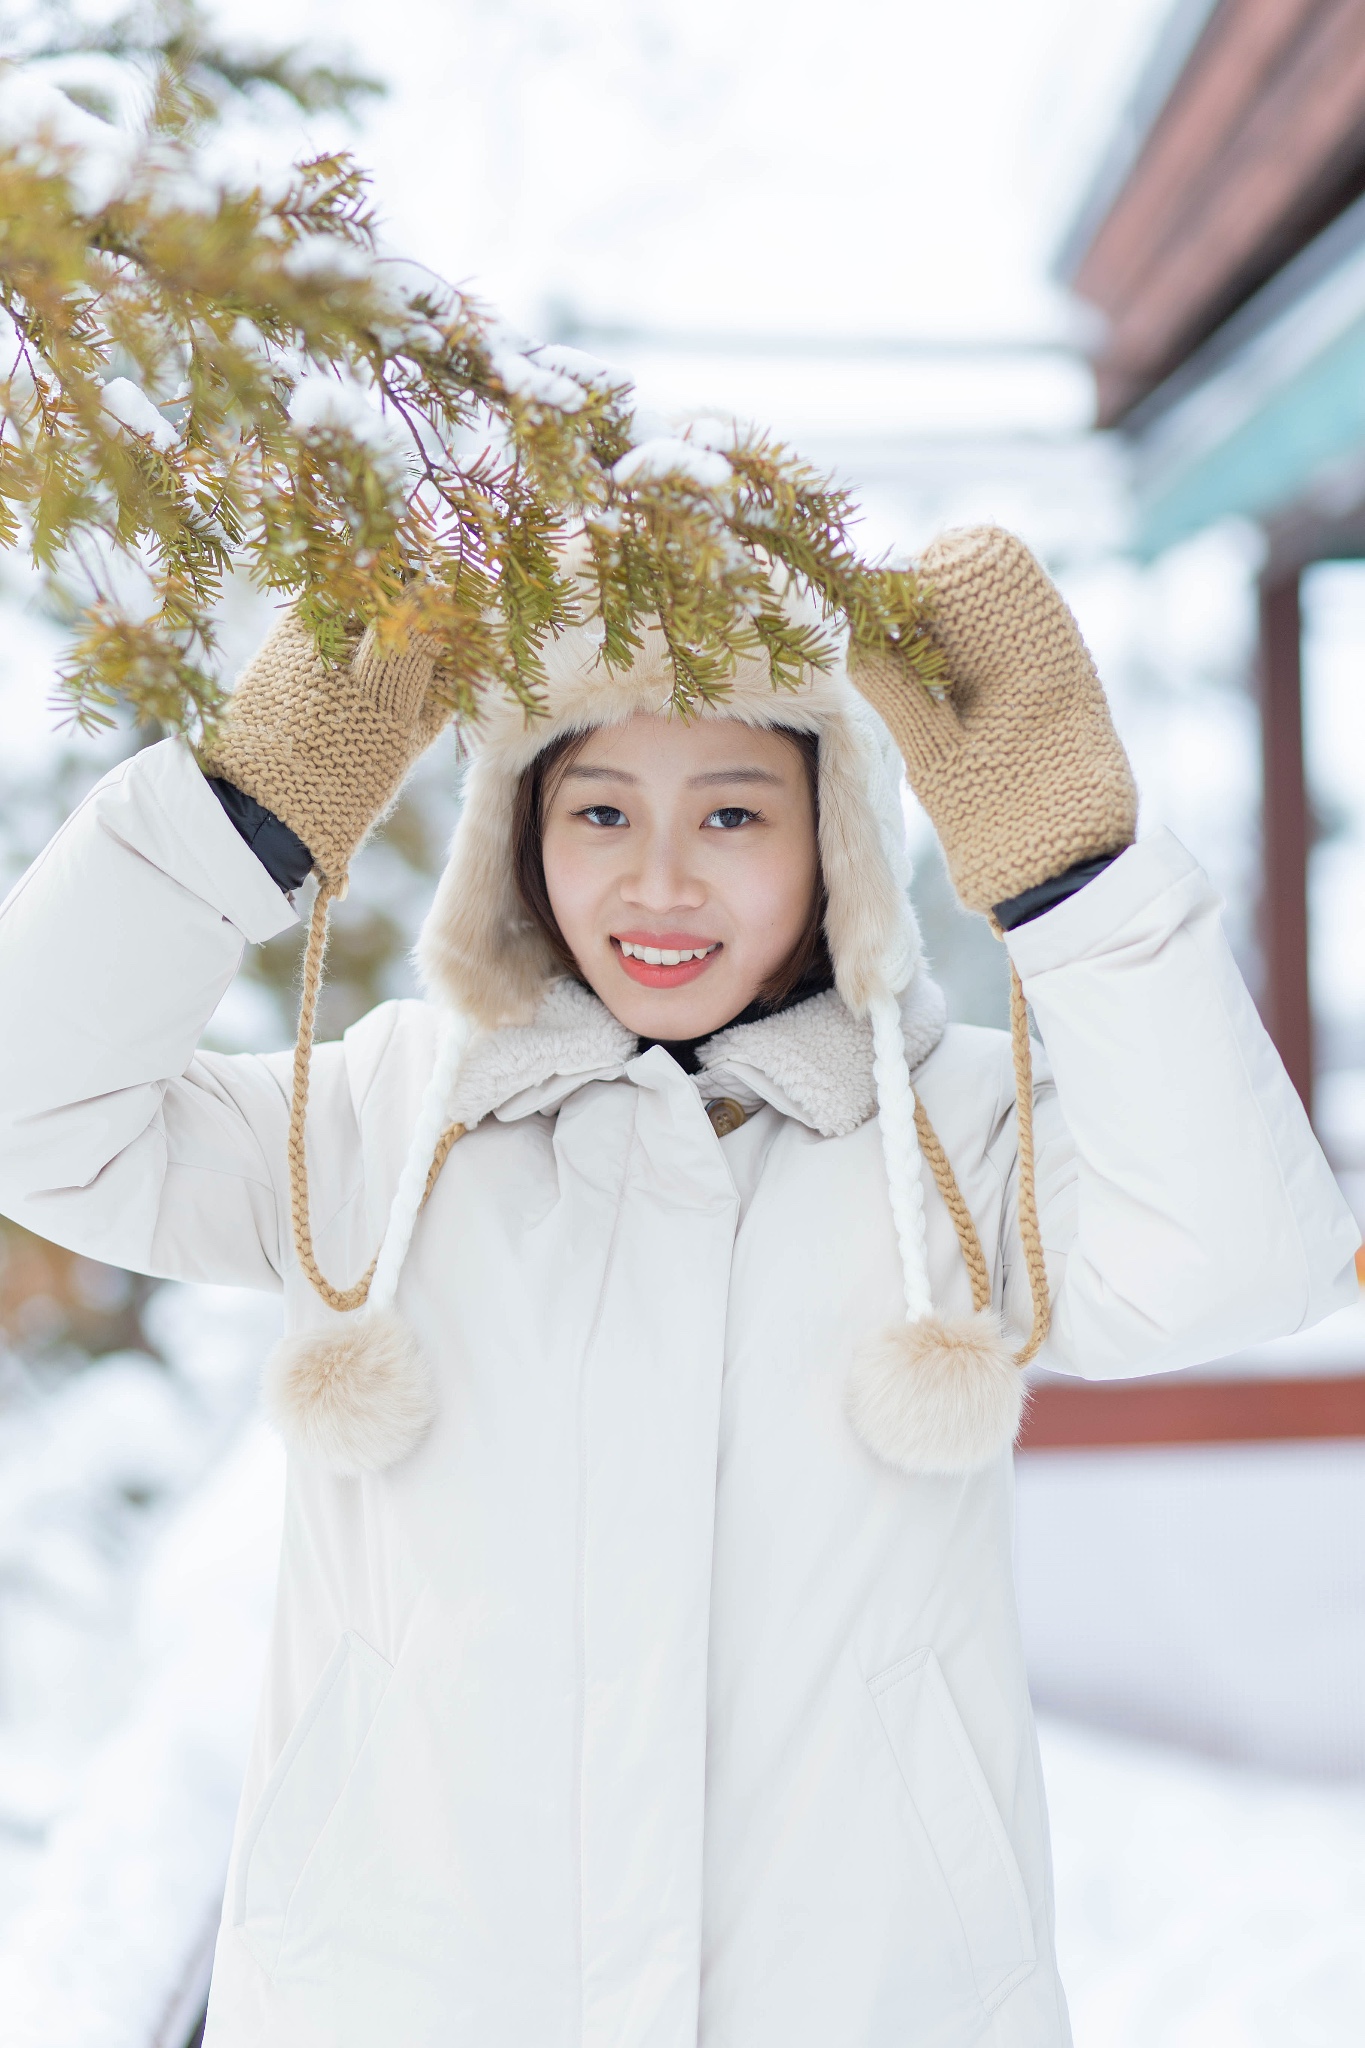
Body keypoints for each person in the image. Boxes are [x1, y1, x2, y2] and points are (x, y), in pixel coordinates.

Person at [0, 527, 1354, 2047]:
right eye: (596, 809)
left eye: (731, 812)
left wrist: (1070, 873)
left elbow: (1237, 1263)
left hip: (866, 2000)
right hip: (397, 1994)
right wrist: (247, 810)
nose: (659, 881)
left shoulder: (955, 1140)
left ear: (833, 836)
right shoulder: (385, 1114)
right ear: (520, 835)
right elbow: (34, 1117)